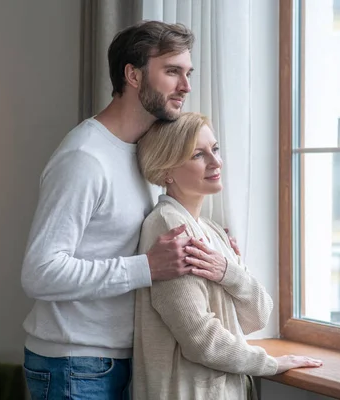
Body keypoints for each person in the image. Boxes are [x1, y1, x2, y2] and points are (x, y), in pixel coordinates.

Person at [20, 21, 228, 400]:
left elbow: (136, 229)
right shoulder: (85, 158)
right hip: (74, 366)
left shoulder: (143, 151)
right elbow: (39, 273)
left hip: (118, 362)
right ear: (132, 75)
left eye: (188, 73)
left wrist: (213, 241)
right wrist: (146, 267)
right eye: (172, 72)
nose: (186, 86)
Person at [133, 112, 323, 400]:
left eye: (215, 149)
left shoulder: (212, 231)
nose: (216, 162)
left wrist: (228, 272)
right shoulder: (169, 226)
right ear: (166, 170)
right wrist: (269, 364)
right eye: (198, 155)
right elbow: (201, 340)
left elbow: (256, 316)